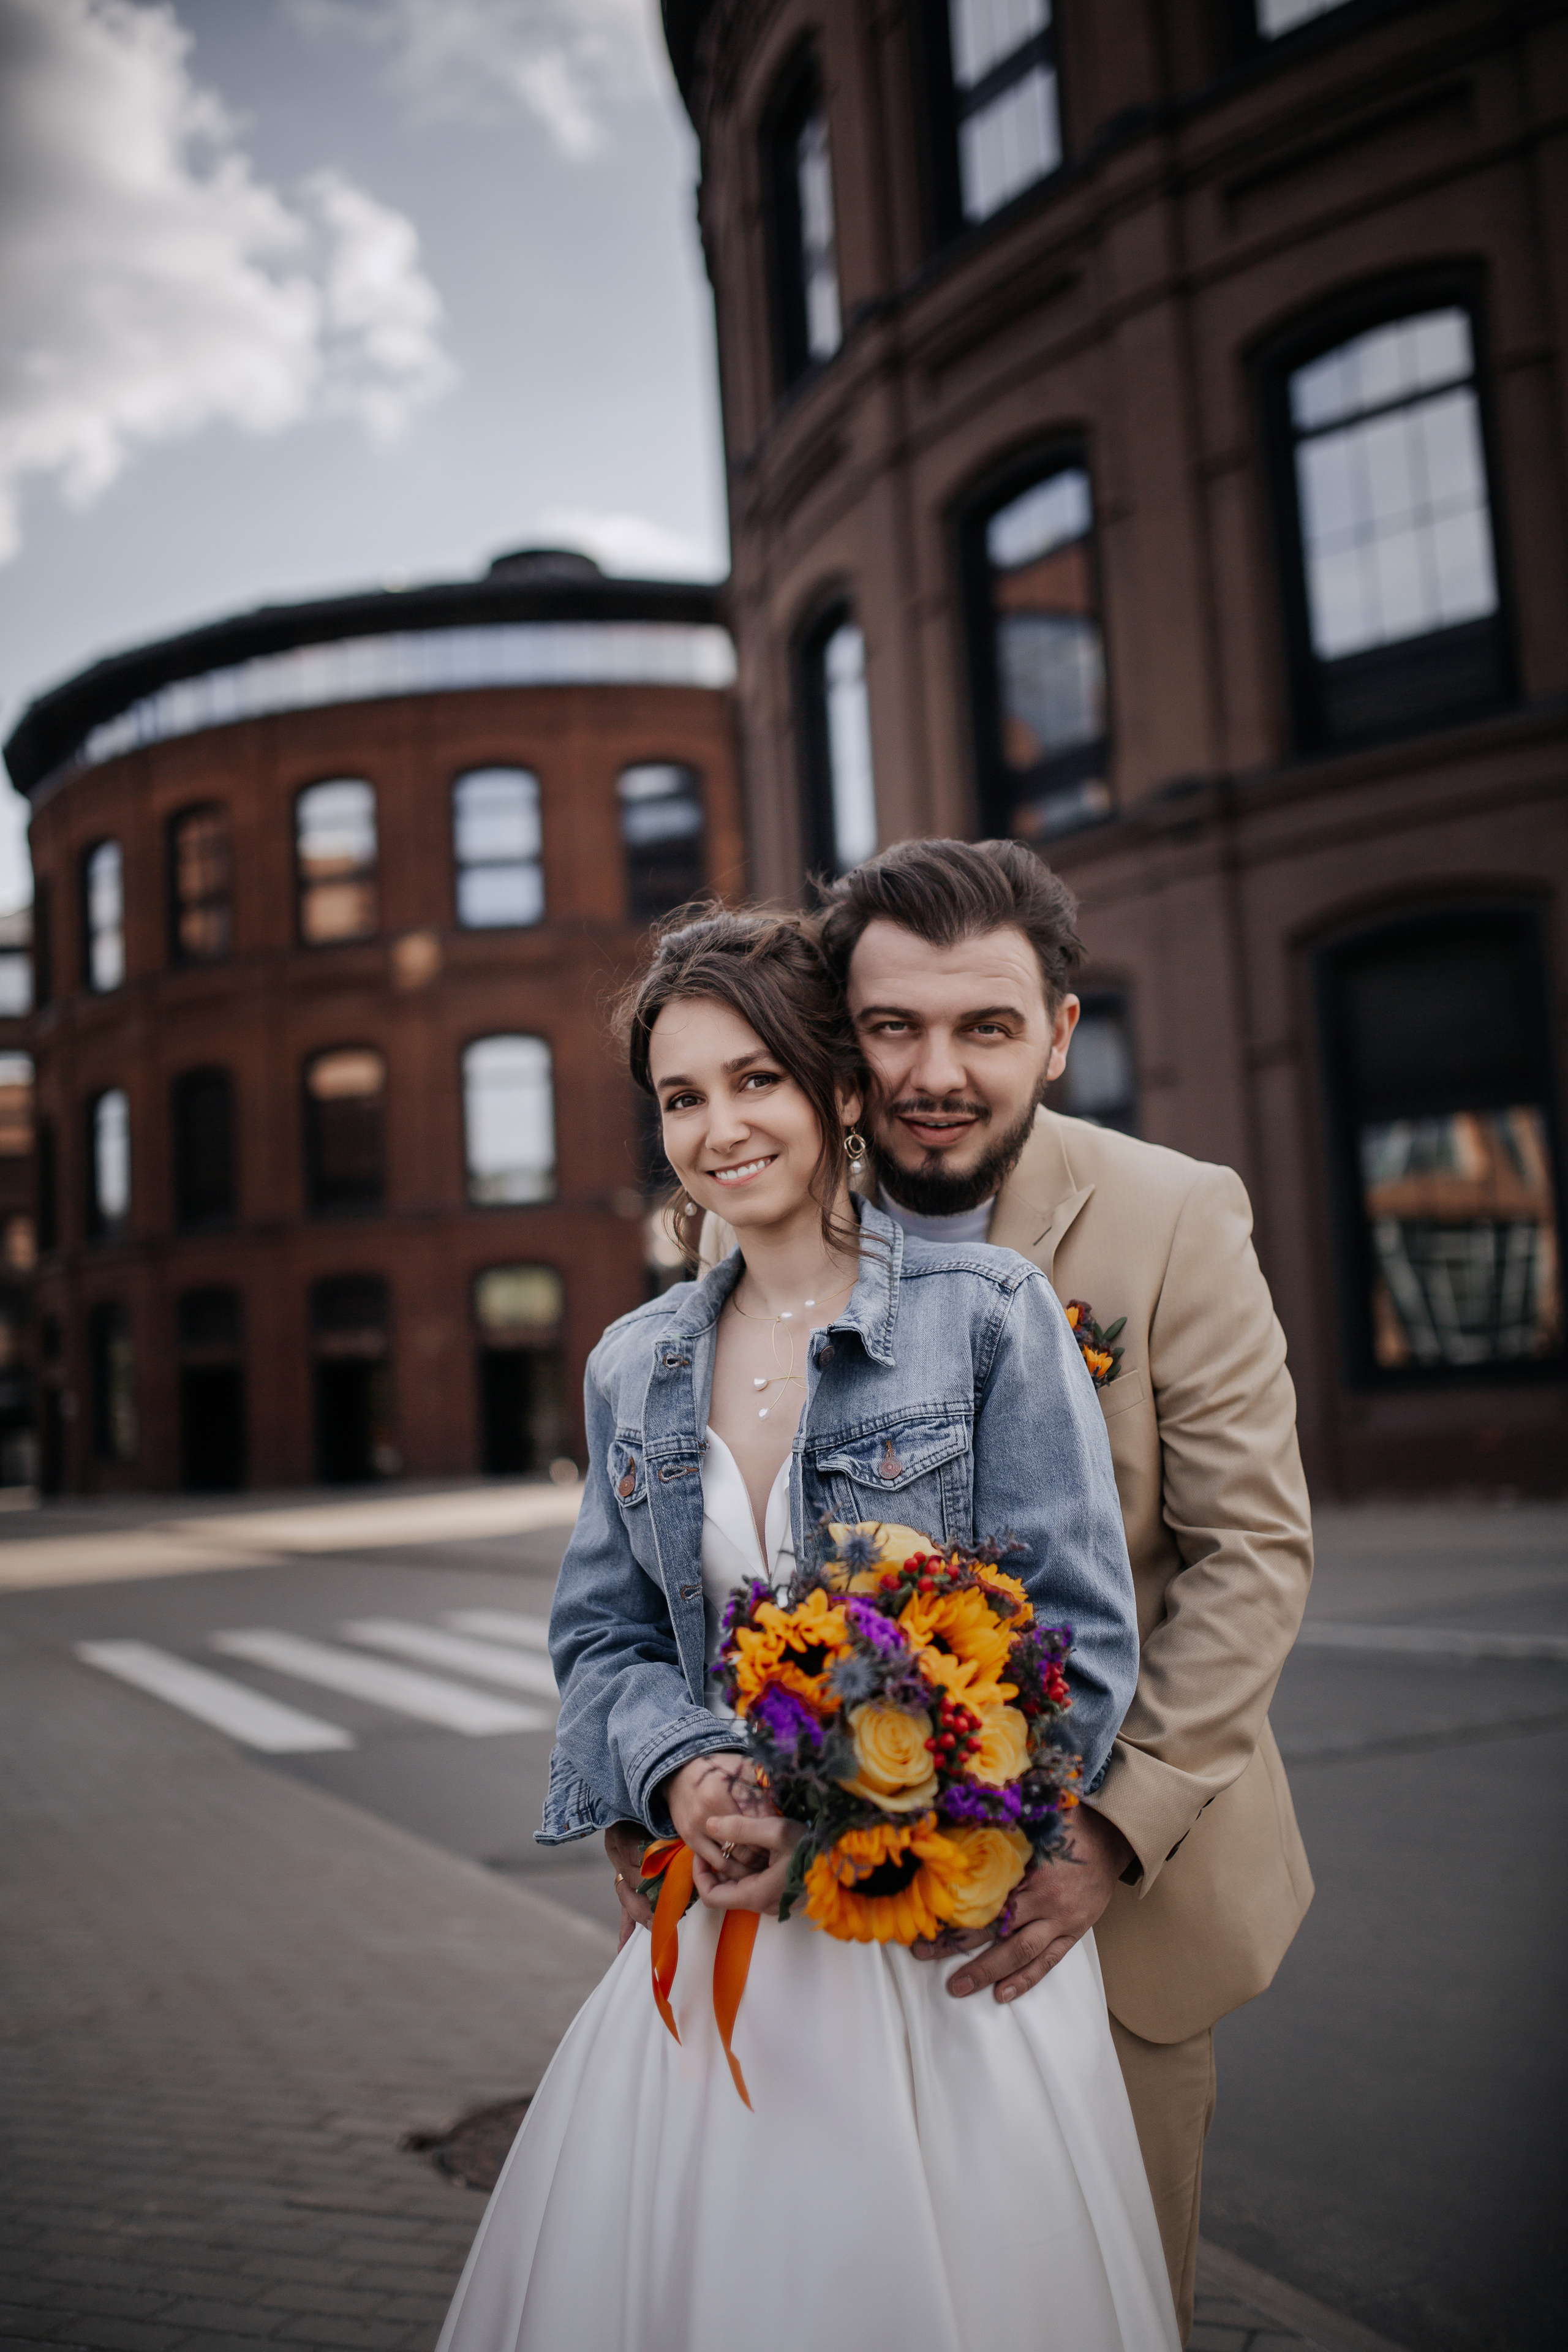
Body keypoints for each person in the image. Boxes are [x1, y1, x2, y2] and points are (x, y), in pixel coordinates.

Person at [437, 908, 1178, 2352]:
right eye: (680, 1097)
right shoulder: (631, 1364)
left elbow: (1075, 1639)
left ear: (838, 1092)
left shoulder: (986, 1316)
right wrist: (684, 1775)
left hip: (937, 1938)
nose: (718, 1127)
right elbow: (605, 1644)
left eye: (753, 1079)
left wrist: (879, 1811)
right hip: (728, 1940)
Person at [617, 842, 1314, 2345]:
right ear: (836, 1044)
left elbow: (1249, 1555)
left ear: (1056, 1034)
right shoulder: (743, 1258)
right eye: (893, 1028)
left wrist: (1094, 1837)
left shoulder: (1170, 1214)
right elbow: (658, 1599)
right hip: (799, 1918)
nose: (937, 1072)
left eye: (986, 1028)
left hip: (1108, 1902)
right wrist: (661, 1788)